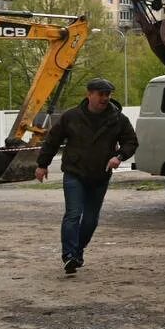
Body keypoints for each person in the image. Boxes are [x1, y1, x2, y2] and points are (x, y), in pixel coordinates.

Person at [34, 78, 138, 275]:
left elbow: (131, 142)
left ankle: (77, 252)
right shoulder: (71, 117)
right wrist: (42, 164)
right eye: (100, 94)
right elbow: (52, 140)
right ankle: (69, 256)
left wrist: (119, 156)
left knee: (90, 220)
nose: (105, 98)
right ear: (89, 94)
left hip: (100, 176)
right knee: (73, 214)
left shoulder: (118, 119)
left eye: (108, 94)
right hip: (75, 173)